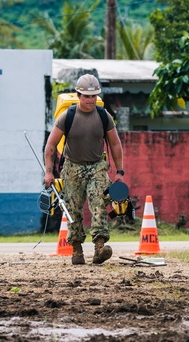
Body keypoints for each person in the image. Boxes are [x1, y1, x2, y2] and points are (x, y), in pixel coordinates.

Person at [43, 74, 126, 266]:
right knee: (73, 209)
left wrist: (120, 172)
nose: (90, 100)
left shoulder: (104, 116)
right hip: (72, 167)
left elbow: (115, 144)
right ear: (78, 95)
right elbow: (50, 146)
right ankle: (77, 249)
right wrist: (49, 172)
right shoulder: (68, 117)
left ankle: (99, 246)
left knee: (99, 203)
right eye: (86, 96)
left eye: (94, 96)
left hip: (97, 166)